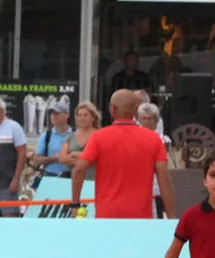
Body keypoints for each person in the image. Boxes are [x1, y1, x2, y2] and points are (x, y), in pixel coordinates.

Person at [70, 88, 173, 221]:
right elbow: (164, 180)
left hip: (107, 214)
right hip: (141, 216)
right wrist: (171, 217)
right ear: (136, 111)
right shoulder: (154, 139)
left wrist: (75, 203)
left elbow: (79, 169)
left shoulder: (99, 137)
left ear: (112, 109)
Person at [26, 105, 75, 183]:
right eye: (52, 113)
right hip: (50, 176)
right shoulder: (46, 135)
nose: (54, 116)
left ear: (67, 115)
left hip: (73, 177)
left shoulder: (76, 134)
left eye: (57, 113)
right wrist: (54, 158)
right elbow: (36, 159)